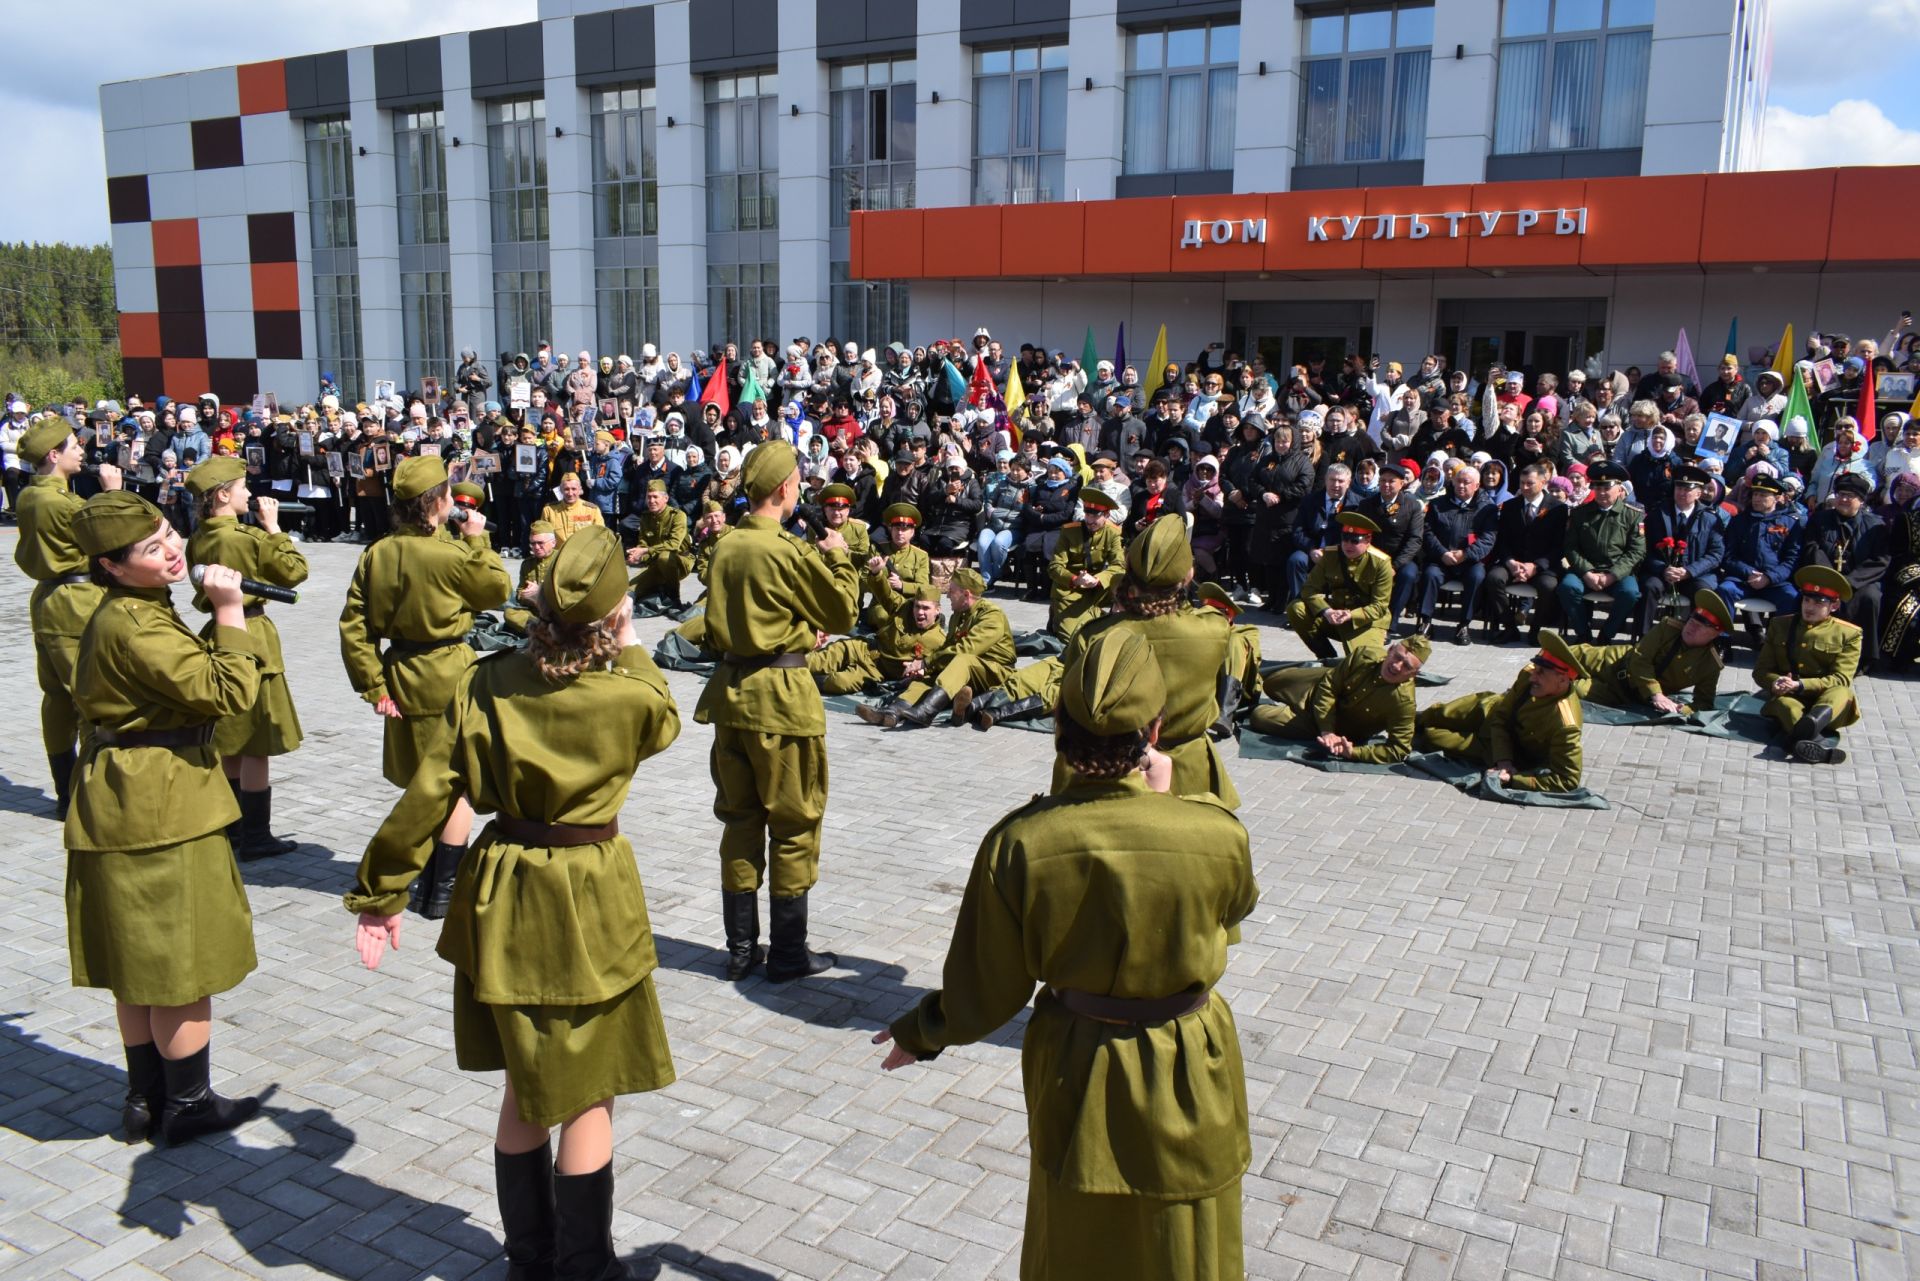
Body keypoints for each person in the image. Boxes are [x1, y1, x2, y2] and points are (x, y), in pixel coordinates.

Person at [874, 627, 1257, 1281]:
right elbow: (1235, 908)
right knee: (1188, 1246)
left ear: (1058, 726)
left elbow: (986, 992)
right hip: (1190, 1063)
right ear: (1156, 729)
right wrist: (1172, 807)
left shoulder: (1020, 842)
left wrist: (922, 1030)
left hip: (1078, 1065)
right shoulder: (1217, 833)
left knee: (1075, 1248)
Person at [348, 527, 680, 1279]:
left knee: (524, 1086)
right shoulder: (630, 690)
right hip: (589, 893)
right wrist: (627, 645)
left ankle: (530, 1262)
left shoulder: (487, 679)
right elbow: (663, 718)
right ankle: (586, 1267)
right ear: (613, 614)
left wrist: (382, 890)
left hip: (502, 886)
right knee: (589, 1090)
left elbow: (433, 785)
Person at [66, 492, 265, 1146]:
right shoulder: (138, 624)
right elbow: (228, 692)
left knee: (136, 963)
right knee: (181, 963)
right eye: (152, 547)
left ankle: (146, 1099)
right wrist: (232, 610)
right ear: (112, 565)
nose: (173, 547)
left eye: (168, 531)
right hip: (163, 807)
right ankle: (189, 1103)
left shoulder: (129, 611)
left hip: (123, 800)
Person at [696, 441, 859, 982]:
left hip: (731, 693)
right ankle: (788, 954)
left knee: (740, 819)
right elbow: (842, 611)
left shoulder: (725, 545)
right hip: (782, 697)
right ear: (787, 487)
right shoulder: (787, 549)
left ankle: (741, 951)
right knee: (793, 823)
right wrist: (837, 554)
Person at [338, 456, 511, 919]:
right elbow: (496, 590)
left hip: (400, 672)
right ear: (436, 504)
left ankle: (427, 882)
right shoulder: (451, 553)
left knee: (419, 782)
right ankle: (442, 890)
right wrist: (479, 540)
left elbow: (354, 627)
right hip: (449, 671)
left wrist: (373, 685)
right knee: (455, 784)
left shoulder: (376, 553)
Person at [1052, 517, 1240, 807]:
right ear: (1188, 575)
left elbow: (1068, 716)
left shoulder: (1095, 634)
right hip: (1189, 776)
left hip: (1102, 775)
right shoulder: (1214, 630)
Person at [183, 456, 307, 860]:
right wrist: (273, 528)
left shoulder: (199, 536)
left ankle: (233, 829)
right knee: (256, 741)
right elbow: (294, 571)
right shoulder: (243, 537)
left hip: (218, 631)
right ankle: (255, 835)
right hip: (252, 634)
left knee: (231, 738)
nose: (251, 494)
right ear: (222, 495)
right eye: (242, 488)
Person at [13, 416, 122, 815]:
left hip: (48, 597)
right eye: (74, 446)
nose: (82, 451)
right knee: (88, 696)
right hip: (75, 602)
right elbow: (114, 532)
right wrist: (113, 494)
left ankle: (66, 791)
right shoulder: (61, 502)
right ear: (54, 454)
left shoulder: (29, 495)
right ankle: (87, 794)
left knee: (57, 698)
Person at [1416, 632, 1587, 793]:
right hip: (1486, 710)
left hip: (1495, 746)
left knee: (1432, 738)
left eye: (1541, 673)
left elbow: (1568, 779)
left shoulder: (1566, 724)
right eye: (1536, 669)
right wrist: (1504, 761)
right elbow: (1501, 717)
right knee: (1435, 714)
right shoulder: (1528, 675)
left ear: (1563, 680)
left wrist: (1512, 778)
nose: (1533, 677)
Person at [858, 568, 1015, 729]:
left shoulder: (992, 616)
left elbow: (966, 649)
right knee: (928, 678)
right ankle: (893, 711)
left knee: (962, 660)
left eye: (952, 591)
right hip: (966, 670)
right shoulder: (958, 616)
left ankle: (927, 711)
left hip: (996, 672)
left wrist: (926, 663)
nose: (947, 596)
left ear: (966, 594)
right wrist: (925, 668)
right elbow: (947, 648)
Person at [1250, 636, 1430, 764]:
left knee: (1259, 716)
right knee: (1272, 682)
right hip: (1318, 689)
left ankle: (1295, 714)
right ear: (1390, 650)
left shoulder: (1403, 702)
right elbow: (1329, 685)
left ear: (1413, 675)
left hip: (1326, 725)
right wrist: (1326, 729)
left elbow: (1398, 749)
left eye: (1406, 666)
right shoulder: (1365, 656)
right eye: (1397, 657)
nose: (1396, 666)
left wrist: (1353, 752)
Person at [1755, 565, 1861, 764]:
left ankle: (1801, 731)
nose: (1809, 607)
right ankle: (1818, 745)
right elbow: (1761, 671)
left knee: (1842, 692)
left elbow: (1841, 678)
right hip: (1789, 696)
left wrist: (1801, 685)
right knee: (1784, 705)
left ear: (1834, 606)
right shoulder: (1780, 625)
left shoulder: (1850, 634)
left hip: (1826, 703)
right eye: (1807, 600)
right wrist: (1775, 681)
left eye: (1819, 602)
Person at [1569, 589, 1731, 714]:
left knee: (1576, 690)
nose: (1692, 625)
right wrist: (1656, 694)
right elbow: (1640, 659)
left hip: (1623, 693)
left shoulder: (1710, 665)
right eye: (1693, 618)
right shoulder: (1668, 628)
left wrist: (1683, 709)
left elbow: (1704, 702)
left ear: (1715, 634)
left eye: (1701, 625)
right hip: (1613, 662)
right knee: (1565, 654)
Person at [1798, 471, 1890, 670]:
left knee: (1870, 598)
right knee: (1812, 594)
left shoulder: (1875, 525)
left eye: (1850, 496)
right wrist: (1830, 577)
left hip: (1859, 581)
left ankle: (1862, 659)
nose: (1844, 499)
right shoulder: (1820, 519)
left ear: (1862, 501)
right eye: (1841, 494)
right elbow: (1812, 547)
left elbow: (1880, 560)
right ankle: (1812, 651)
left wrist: (1850, 582)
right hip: (1825, 576)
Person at [1556, 462, 1646, 645]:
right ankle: (1583, 633)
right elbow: (1570, 547)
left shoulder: (1633, 515)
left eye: (1607, 487)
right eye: (1598, 487)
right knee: (1567, 588)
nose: (1602, 492)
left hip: (1618, 572)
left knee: (1630, 593)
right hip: (1586, 570)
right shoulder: (1580, 513)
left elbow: (1637, 551)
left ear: (1619, 488)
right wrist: (1587, 572)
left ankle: (1607, 633)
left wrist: (1613, 575)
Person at [1286, 510, 1394, 661]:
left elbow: (1379, 607)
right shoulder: (1331, 555)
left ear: (1368, 540)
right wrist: (1326, 611)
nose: (1348, 545)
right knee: (1296, 608)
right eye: (1345, 538)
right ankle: (1326, 657)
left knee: (1362, 664)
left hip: (1364, 622)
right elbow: (1309, 589)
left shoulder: (1380, 563)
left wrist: (1350, 615)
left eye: (1355, 540)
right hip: (1334, 616)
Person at [808, 582, 947, 694]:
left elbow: (937, 669)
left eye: (926, 608)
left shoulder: (938, 641)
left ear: (937, 610)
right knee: (824, 658)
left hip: (877, 670)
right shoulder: (904, 608)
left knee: (839, 683)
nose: (920, 612)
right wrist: (877, 574)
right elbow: (886, 594)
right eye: (917, 606)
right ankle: (788, 668)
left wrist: (921, 672)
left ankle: (802, 682)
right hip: (865, 648)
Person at [1415, 462, 1498, 644]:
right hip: (1441, 558)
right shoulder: (1437, 505)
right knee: (1430, 574)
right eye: (1458, 481)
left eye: (1466, 482)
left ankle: (1464, 624)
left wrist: (1465, 554)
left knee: (1477, 576)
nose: (1461, 486)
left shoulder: (1487, 509)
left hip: (1469, 560)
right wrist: (1442, 553)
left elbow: (1487, 539)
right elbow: (1428, 533)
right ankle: (1426, 621)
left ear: (1476, 486)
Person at [1638, 465, 1726, 633]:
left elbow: (1715, 554)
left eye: (1688, 488)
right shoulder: (1657, 514)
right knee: (1649, 586)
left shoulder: (1710, 519)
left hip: (1694, 575)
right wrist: (1663, 569)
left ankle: (1696, 640)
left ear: (1699, 493)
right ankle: (1643, 640)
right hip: (1663, 573)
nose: (1681, 492)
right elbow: (1644, 549)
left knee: (1704, 593)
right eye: (1679, 487)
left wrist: (1689, 571)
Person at [1716, 474, 1801, 613]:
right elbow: (1729, 555)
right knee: (1725, 590)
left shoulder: (1790, 524)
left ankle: (1778, 634)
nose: (1756, 498)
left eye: (1763, 495)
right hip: (1742, 579)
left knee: (1792, 597)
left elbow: (1792, 559)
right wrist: (1749, 573)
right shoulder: (1739, 521)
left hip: (1775, 582)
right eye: (1755, 494)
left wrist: (1769, 577)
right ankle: (1722, 634)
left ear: (1776, 497)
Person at [1047, 488, 1123, 639]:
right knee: (1071, 638)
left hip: (1098, 590)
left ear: (1107, 515)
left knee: (1124, 579)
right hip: (1071, 591)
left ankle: (1102, 617)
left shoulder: (1113, 533)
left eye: (1096, 516)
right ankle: (1060, 616)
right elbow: (1054, 567)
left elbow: (1118, 565)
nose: (1090, 520)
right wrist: (1075, 579)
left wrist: (1097, 580)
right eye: (1088, 514)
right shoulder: (1069, 531)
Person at [862, 502, 933, 629]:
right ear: (891, 530)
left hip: (908, 604)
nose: (900, 533)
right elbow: (862, 581)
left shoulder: (921, 556)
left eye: (904, 529)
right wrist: (876, 575)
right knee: (884, 617)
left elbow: (924, 587)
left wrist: (902, 586)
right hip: (881, 604)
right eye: (896, 529)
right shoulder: (877, 550)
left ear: (912, 532)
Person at [624, 479, 691, 613]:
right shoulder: (645, 518)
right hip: (656, 563)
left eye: (655, 497)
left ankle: (674, 598)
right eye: (649, 497)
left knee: (664, 557)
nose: (651, 501)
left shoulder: (678, 516)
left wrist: (645, 550)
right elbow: (643, 543)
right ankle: (660, 587)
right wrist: (637, 557)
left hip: (679, 562)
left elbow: (673, 545)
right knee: (628, 592)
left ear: (665, 498)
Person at [504, 520, 558, 634]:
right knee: (510, 613)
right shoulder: (527, 564)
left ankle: (541, 630)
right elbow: (519, 592)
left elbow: (567, 593)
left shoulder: (561, 561)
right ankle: (543, 631)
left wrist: (540, 592)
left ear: (553, 543)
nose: (536, 547)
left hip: (556, 611)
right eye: (533, 544)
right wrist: (524, 595)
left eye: (540, 543)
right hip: (535, 612)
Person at [541, 472, 605, 543]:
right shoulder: (549, 511)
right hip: (559, 553)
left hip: (583, 553)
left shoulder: (592, 510)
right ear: (561, 490)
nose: (570, 493)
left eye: (574, 489)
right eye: (566, 489)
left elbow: (600, 536)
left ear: (580, 490)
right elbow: (544, 538)